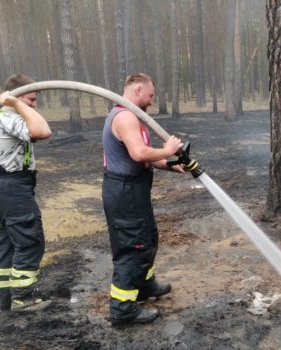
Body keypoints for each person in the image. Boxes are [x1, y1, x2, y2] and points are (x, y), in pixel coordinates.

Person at [102, 73, 185, 326]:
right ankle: (122, 310)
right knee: (132, 247)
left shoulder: (132, 116)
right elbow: (139, 153)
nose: (151, 100)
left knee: (147, 238)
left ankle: (144, 287)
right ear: (137, 90)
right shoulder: (125, 116)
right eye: (150, 95)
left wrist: (170, 165)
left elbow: (145, 157)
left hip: (134, 190)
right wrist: (168, 149)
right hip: (124, 192)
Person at [0, 74, 53, 313]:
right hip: (11, 188)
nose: (34, 105)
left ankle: (6, 297)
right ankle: (22, 298)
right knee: (29, 241)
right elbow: (43, 131)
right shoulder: (9, 117)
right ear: (15, 96)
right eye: (32, 99)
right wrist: (16, 104)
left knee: (6, 243)